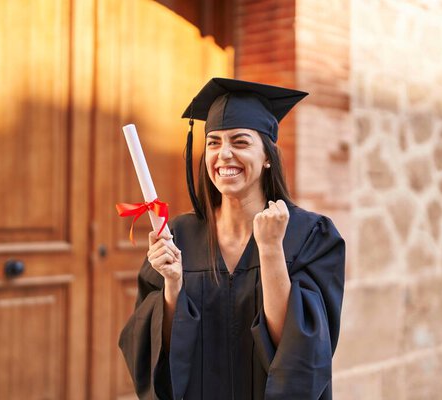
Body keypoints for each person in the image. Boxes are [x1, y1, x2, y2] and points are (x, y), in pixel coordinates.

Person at [119, 78, 345, 400]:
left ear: (268, 156)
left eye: (240, 142)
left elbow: (298, 351)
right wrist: (172, 287)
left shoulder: (309, 236)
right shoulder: (178, 235)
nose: (224, 154)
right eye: (213, 143)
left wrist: (270, 249)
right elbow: (161, 354)